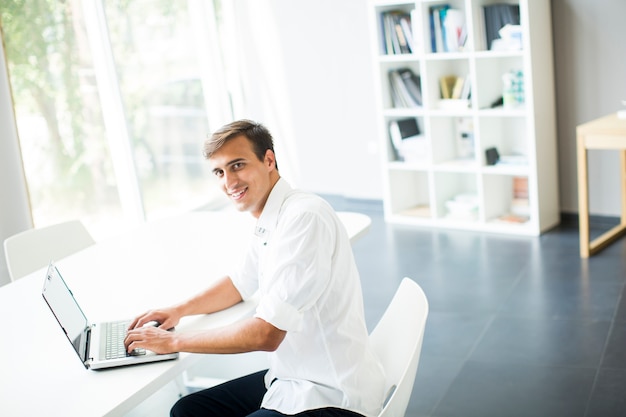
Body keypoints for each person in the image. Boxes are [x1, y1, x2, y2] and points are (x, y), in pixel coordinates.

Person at [124, 120, 385, 417]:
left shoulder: (303, 218)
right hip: (292, 377)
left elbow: (266, 334)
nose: (229, 182)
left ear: (269, 160)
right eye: (219, 172)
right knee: (187, 411)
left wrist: (173, 341)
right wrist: (178, 310)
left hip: (333, 394)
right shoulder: (272, 218)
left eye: (238, 165)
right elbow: (239, 283)